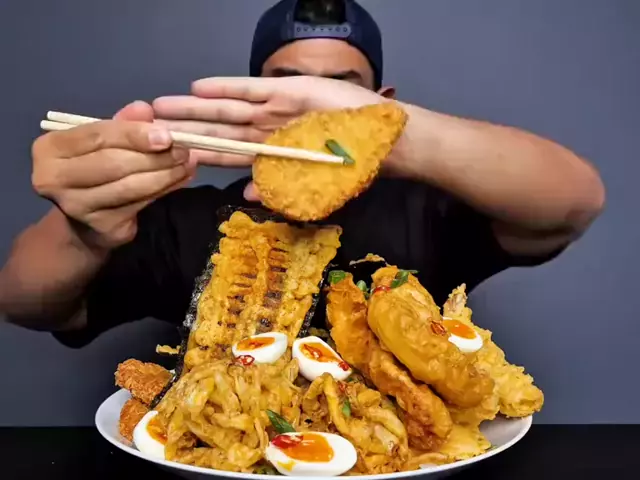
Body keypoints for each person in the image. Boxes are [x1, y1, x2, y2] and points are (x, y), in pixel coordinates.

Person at [0, 0, 604, 347]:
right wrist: (85, 228)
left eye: (340, 93)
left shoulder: (425, 212)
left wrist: (391, 133)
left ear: (383, 102)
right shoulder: (187, 222)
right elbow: (27, 304)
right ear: (255, 99)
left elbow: (571, 204)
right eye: (289, 89)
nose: (310, 111)